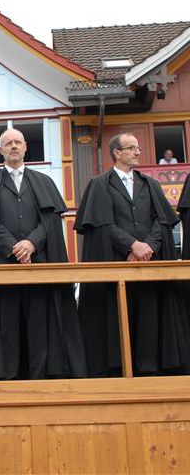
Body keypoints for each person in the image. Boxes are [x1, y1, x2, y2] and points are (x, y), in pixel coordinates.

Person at [0, 128, 87, 380]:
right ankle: (8, 380)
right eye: (8, 143)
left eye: (17, 142)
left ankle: (40, 378)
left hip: (39, 267)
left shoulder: (44, 182)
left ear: (25, 147)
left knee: (40, 326)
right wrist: (14, 246)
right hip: (3, 270)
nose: (13, 146)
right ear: (0, 150)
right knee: (6, 327)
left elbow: (51, 222)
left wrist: (31, 243)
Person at [75, 132, 190, 376]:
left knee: (150, 315)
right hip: (116, 262)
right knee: (117, 317)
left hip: (149, 264)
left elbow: (162, 221)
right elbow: (102, 224)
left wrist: (147, 246)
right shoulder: (99, 185)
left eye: (138, 148)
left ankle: (150, 367)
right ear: (117, 153)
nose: (139, 152)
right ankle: (119, 370)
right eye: (132, 148)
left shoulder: (151, 184)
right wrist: (131, 245)